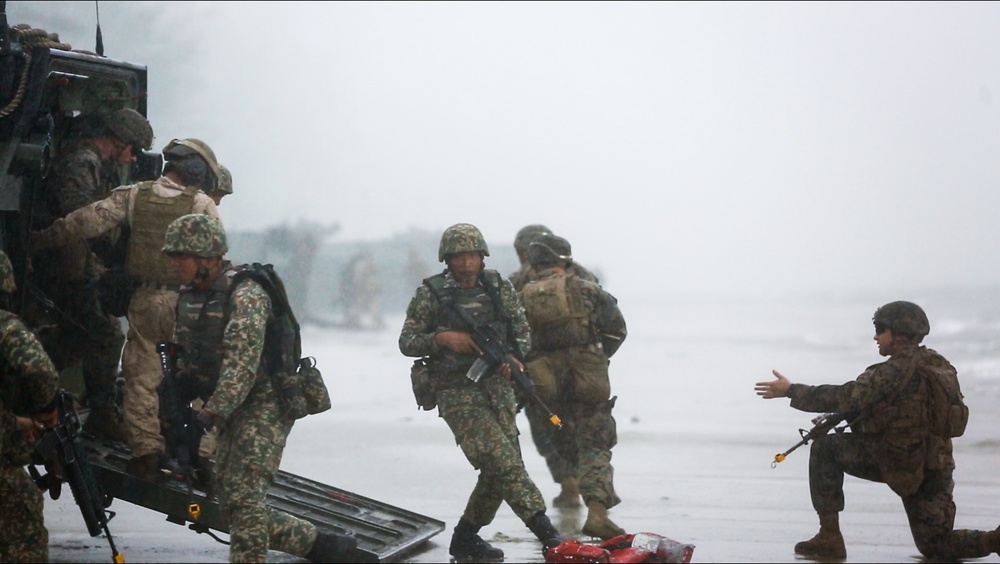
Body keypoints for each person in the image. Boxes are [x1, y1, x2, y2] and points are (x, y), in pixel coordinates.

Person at [160, 214, 359, 563]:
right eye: (172, 256)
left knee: (244, 496)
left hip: (265, 402)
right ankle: (321, 545)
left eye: (182, 256)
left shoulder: (246, 294)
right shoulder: (188, 297)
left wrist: (206, 416)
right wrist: (176, 398)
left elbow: (242, 365)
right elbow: (185, 355)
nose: (174, 263)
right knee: (232, 504)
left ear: (208, 257)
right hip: (225, 404)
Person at [31, 138, 223, 480]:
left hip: (147, 300)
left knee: (141, 379)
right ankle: (202, 456)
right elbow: (215, 258)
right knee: (200, 379)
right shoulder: (201, 203)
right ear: (194, 169)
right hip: (189, 303)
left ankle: (146, 452)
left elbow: (85, 222)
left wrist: (39, 239)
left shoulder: (134, 194)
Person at [754, 300, 1000, 560]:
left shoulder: (891, 371)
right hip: (935, 466)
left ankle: (829, 537)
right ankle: (994, 540)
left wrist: (791, 391)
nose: (876, 336)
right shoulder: (941, 365)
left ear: (899, 335)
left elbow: (843, 397)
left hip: (900, 462)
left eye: (881, 329)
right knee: (936, 545)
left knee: (825, 448)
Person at [399, 223, 563, 562]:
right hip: (455, 391)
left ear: (481, 256)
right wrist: (442, 339)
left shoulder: (498, 288)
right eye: (458, 257)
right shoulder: (432, 294)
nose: (466, 263)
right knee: (501, 463)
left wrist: (512, 359)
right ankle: (548, 534)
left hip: (497, 388)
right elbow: (407, 342)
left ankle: (466, 537)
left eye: (472, 255)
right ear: (447, 259)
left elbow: (521, 331)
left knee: (500, 469)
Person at [32, 108, 153, 443]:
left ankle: (27, 386)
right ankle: (101, 413)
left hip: (74, 264)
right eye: (133, 148)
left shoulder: (98, 164)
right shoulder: (83, 160)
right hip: (60, 266)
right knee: (105, 335)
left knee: (73, 339)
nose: (132, 157)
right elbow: (79, 213)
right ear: (117, 140)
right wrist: (109, 244)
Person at [519, 234, 628, 540]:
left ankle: (573, 488)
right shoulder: (586, 289)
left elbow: (512, 343)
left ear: (534, 263)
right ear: (564, 260)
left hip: (547, 391)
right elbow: (617, 329)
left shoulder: (518, 296)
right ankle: (596, 514)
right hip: (588, 383)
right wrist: (595, 356)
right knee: (595, 446)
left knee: (569, 447)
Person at [509, 224, 600, 509]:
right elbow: (603, 313)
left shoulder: (519, 279)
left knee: (549, 426)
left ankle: (568, 484)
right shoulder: (580, 274)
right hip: (581, 370)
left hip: (539, 374)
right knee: (582, 426)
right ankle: (592, 488)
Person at [0, 249, 60, 563]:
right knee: (25, 544)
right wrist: (45, 408)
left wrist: (13, 423)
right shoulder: (6, 328)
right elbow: (39, 370)